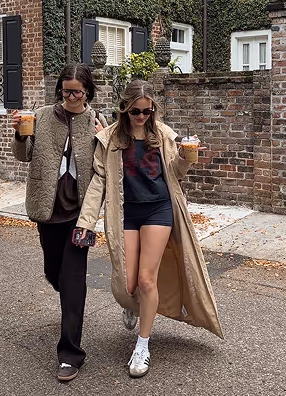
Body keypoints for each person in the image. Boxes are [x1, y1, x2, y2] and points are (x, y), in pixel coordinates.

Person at [76, 79, 223, 378]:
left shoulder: (165, 136)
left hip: (159, 209)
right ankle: (133, 306)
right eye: (135, 112)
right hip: (127, 213)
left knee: (146, 280)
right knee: (127, 283)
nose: (142, 117)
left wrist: (184, 158)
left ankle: (142, 346)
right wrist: (86, 222)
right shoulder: (110, 140)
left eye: (147, 111)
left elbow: (176, 173)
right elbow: (99, 182)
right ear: (125, 109)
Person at [12, 63, 107, 382]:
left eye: (77, 92)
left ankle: (70, 354)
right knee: (53, 271)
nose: (71, 97)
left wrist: (100, 141)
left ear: (88, 92)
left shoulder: (97, 121)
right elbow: (23, 155)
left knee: (74, 279)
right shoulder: (39, 116)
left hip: (81, 214)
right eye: (66, 91)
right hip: (47, 209)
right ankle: (66, 298)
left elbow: (105, 165)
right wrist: (19, 131)